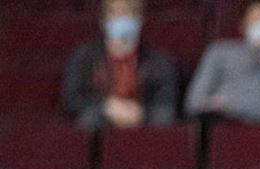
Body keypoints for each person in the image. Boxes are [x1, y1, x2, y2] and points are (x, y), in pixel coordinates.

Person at [62, 0, 179, 132]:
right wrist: (108, 107)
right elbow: (73, 98)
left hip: (144, 119)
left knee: (163, 118)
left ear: (140, 20)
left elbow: (166, 101)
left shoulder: (158, 62)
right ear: (103, 21)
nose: (123, 19)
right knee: (88, 119)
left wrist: (140, 112)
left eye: (130, 13)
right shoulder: (84, 57)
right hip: (101, 119)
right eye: (117, 13)